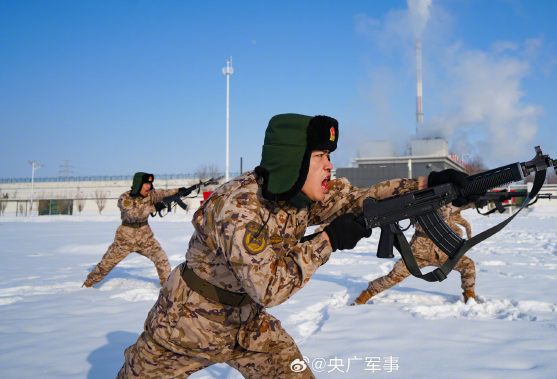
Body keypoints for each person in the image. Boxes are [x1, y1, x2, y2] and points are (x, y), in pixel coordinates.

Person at [117, 113, 471, 378]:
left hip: (246, 323)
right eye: (321, 157)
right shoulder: (238, 208)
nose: (330, 166)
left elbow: (362, 198)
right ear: (293, 159)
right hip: (186, 326)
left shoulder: (298, 194)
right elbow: (269, 287)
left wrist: (431, 183)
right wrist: (328, 240)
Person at [351, 202, 477, 306]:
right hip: (418, 254)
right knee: (393, 277)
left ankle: (469, 296)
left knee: (468, 265)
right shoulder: (423, 204)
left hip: (443, 253)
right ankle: (365, 296)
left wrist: (477, 200)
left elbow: (462, 204)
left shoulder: (450, 205)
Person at [83, 173, 184, 288]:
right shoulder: (125, 198)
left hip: (145, 238)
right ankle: (89, 284)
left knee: (160, 256)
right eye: (146, 184)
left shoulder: (150, 195)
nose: (149, 187)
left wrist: (180, 190)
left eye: (150, 184)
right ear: (138, 184)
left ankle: (167, 284)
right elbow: (134, 214)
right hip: (125, 239)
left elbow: (163, 193)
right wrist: (154, 208)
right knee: (107, 264)